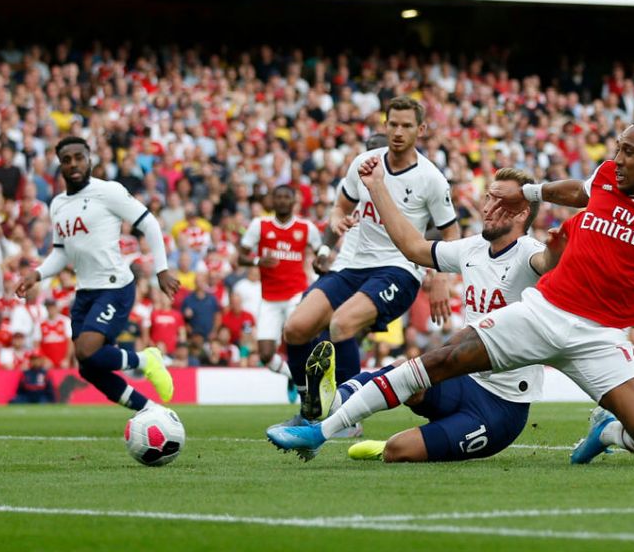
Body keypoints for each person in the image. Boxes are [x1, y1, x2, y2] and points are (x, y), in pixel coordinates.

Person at [268, 105, 634, 464]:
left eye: (628, 151)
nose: (616, 158)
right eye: (617, 148)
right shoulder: (604, 177)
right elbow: (580, 188)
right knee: (443, 356)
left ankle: (606, 433)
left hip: (601, 335)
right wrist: (524, 192)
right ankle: (320, 429)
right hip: (545, 312)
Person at [330, 167, 565, 463]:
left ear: (520, 214)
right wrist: (377, 187)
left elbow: (546, 263)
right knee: (411, 378)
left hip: (501, 406)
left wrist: (558, 251)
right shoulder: (474, 248)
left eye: (497, 200)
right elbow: (413, 248)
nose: (487, 207)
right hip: (463, 380)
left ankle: (390, 443)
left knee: (397, 451)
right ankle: (340, 397)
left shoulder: (529, 251)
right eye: (488, 197)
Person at [280, 97, 459, 424]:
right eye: (393, 124)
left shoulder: (430, 178)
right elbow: (340, 207)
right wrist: (336, 221)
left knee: (341, 324)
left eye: (406, 125)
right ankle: (310, 407)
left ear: (421, 129)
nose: (398, 132)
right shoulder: (364, 162)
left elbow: (451, 233)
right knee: (295, 329)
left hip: (399, 269)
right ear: (385, 124)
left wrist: (441, 280)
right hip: (350, 266)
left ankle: (345, 417)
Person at [15, 136, 178, 414]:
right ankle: (150, 411)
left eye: (79, 157)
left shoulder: (109, 191)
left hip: (115, 286)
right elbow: (62, 252)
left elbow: (149, 223)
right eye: (66, 160)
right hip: (85, 291)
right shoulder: (57, 205)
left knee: (86, 351)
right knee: (88, 369)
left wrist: (161, 270)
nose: (73, 164)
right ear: (60, 165)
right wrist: (38, 274)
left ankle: (146, 360)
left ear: (90, 160)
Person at [237, 184, 326, 387]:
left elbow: (322, 250)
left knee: (300, 342)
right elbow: (240, 256)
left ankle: (311, 383)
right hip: (269, 299)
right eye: (278, 197)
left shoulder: (305, 227)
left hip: (296, 295)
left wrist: (319, 261)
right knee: (266, 355)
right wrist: (258, 261)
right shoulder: (260, 225)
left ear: (294, 201)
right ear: (272, 201)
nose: (283, 201)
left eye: (287, 197)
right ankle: (295, 377)